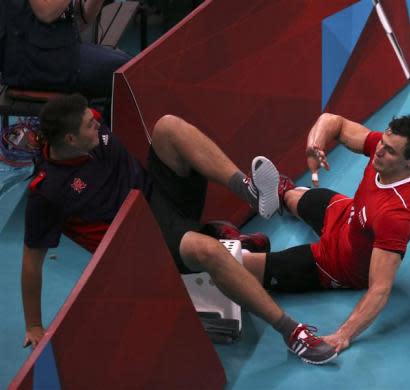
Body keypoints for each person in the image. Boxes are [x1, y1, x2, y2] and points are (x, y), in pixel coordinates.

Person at [21, 93, 337, 365]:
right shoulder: (48, 193)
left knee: (168, 127)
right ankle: (291, 333)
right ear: (70, 140)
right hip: (142, 242)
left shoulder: (87, 128)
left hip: (157, 195)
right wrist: (34, 324)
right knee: (206, 250)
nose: (97, 123)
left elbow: (113, 131)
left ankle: (252, 194)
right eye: (89, 125)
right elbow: (31, 263)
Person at [243, 112, 410, 353]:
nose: (379, 151)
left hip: (335, 264)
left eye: (390, 151)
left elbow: (380, 289)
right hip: (345, 215)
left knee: (243, 265)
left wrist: (344, 334)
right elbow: (334, 123)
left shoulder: (395, 214)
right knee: (294, 197)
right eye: (382, 143)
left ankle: (233, 255)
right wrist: (315, 146)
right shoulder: (385, 150)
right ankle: (283, 196)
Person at [0, 0, 131, 99]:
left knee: (130, 65)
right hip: (31, 64)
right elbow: (45, 13)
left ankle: (100, 131)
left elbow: (81, 23)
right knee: (126, 72)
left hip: (60, 52)